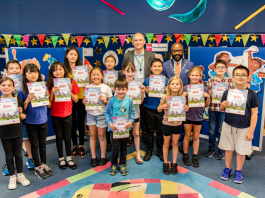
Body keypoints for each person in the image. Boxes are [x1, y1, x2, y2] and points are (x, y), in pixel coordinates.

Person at [219, 65, 261, 184]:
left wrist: (251, 131)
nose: (240, 77)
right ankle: (227, 169)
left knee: (241, 151)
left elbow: (254, 114)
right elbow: (222, 108)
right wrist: (222, 106)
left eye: (243, 75)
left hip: (244, 128)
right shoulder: (227, 92)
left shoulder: (252, 94)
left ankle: (238, 170)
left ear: (248, 77)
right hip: (228, 125)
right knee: (228, 148)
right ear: (233, 77)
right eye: (237, 74)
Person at [18, 64, 53, 179]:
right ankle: (37, 167)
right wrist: (27, 100)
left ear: (38, 74)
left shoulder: (43, 87)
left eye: (35, 72)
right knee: (35, 144)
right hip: (31, 121)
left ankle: (43, 164)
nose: (33, 74)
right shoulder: (22, 91)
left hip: (43, 120)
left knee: (42, 144)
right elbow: (21, 110)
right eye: (29, 72)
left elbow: (48, 106)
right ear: (25, 76)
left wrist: (47, 96)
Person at [1, 60, 35, 176]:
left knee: (26, 139)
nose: (14, 70)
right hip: (6, 124)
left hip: (22, 116)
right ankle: (8, 163)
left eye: (16, 68)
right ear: (7, 71)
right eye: (11, 68)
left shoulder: (24, 83)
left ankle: (31, 158)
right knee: (9, 144)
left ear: (20, 70)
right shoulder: (3, 85)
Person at [122, 32, 155, 144]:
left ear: (144, 41)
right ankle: (129, 135)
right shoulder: (127, 55)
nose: (138, 42)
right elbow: (124, 72)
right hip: (131, 90)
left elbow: (153, 73)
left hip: (144, 89)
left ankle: (145, 136)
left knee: (145, 114)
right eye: (135, 40)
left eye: (140, 40)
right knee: (130, 112)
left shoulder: (151, 55)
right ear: (132, 42)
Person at [161, 43, 195, 154]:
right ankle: (170, 142)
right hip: (169, 97)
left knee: (180, 120)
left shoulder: (190, 64)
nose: (176, 53)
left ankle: (179, 143)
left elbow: (192, 82)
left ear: (183, 51)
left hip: (183, 97)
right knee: (170, 120)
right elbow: (162, 81)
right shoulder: (165, 65)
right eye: (174, 51)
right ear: (171, 51)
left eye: (179, 50)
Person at [47, 61, 80, 170]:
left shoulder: (71, 82)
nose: (58, 72)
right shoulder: (50, 84)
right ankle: (61, 158)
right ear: (52, 72)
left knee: (67, 136)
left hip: (67, 113)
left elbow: (75, 100)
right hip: (55, 114)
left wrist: (69, 90)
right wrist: (52, 92)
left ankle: (69, 158)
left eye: (60, 69)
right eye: (55, 70)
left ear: (64, 70)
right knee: (59, 137)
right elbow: (48, 104)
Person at [0, 77, 30, 189]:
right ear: (0, 87)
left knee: (18, 154)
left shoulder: (18, 100)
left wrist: (20, 113)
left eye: (9, 85)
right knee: (9, 155)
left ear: (13, 88)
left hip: (17, 131)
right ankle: (12, 177)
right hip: (4, 132)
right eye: (3, 85)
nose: (6, 87)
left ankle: (20, 175)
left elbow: (24, 117)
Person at [64, 46, 92, 158]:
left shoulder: (82, 68)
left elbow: (88, 84)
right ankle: (74, 145)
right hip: (69, 99)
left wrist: (89, 72)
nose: (73, 56)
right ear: (67, 55)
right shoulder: (63, 69)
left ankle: (81, 145)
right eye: (71, 54)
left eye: (75, 54)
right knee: (72, 123)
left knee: (81, 122)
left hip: (81, 98)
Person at [157, 76, 189, 175]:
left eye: (177, 84)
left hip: (177, 124)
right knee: (166, 144)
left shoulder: (183, 98)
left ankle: (174, 163)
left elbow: (184, 110)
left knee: (175, 144)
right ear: (169, 86)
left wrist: (186, 108)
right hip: (166, 124)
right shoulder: (164, 97)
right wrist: (162, 106)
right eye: (173, 84)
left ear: (180, 86)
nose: (175, 86)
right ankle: (166, 163)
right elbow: (158, 109)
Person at [105, 78, 135, 175]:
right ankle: (113, 164)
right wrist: (110, 124)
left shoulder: (129, 100)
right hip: (114, 129)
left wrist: (130, 122)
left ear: (127, 89)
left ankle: (122, 163)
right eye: (118, 89)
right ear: (114, 89)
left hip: (125, 129)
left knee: (124, 147)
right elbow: (106, 113)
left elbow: (132, 112)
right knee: (115, 148)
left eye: (123, 89)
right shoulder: (111, 100)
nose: (121, 91)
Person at [83, 67, 112, 167]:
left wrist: (103, 100)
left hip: (102, 115)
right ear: (90, 77)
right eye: (93, 75)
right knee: (92, 136)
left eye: (98, 75)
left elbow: (110, 102)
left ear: (102, 76)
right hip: (91, 115)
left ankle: (103, 157)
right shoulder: (87, 87)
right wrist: (84, 101)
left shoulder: (106, 88)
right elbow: (84, 100)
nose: (96, 76)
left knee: (101, 136)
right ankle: (93, 157)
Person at [205, 60, 234, 160]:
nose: (220, 69)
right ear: (214, 69)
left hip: (224, 111)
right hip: (212, 108)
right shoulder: (210, 81)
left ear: (226, 69)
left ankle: (221, 150)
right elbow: (207, 96)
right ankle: (211, 148)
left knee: (222, 131)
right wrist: (209, 93)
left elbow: (233, 97)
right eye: (218, 67)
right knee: (212, 131)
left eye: (223, 67)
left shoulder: (230, 81)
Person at [182, 67, 210, 167]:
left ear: (200, 76)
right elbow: (182, 105)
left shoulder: (204, 88)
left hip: (198, 115)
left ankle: (195, 156)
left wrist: (208, 97)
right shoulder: (185, 88)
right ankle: (185, 155)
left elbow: (206, 105)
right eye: (192, 75)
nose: (194, 77)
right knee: (187, 135)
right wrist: (183, 96)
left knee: (196, 136)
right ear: (189, 76)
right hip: (188, 115)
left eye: (196, 75)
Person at [143, 58, 169, 162]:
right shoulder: (147, 80)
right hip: (149, 108)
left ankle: (160, 151)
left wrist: (167, 91)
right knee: (149, 131)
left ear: (162, 68)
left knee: (160, 131)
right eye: (155, 66)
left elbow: (171, 95)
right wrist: (145, 90)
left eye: (159, 66)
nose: (157, 68)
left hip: (161, 110)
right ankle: (149, 150)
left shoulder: (166, 81)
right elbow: (142, 95)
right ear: (151, 68)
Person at [122, 62, 146, 164]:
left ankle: (137, 154)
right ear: (123, 72)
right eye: (128, 71)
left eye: (132, 71)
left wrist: (141, 91)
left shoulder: (138, 84)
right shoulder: (121, 84)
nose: (130, 73)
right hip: (123, 114)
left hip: (135, 113)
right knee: (123, 135)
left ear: (135, 72)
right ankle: (122, 156)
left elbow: (140, 101)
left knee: (136, 133)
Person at [104, 55, 117, 152]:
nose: (109, 63)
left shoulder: (118, 74)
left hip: (116, 97)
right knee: (107, 119)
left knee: (115, 119)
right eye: (107, 61)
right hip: (105, 99)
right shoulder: (102, 74)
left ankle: (116, 141)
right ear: (104, 63)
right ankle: (108, 142)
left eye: (111, 61)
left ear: (115, 63)